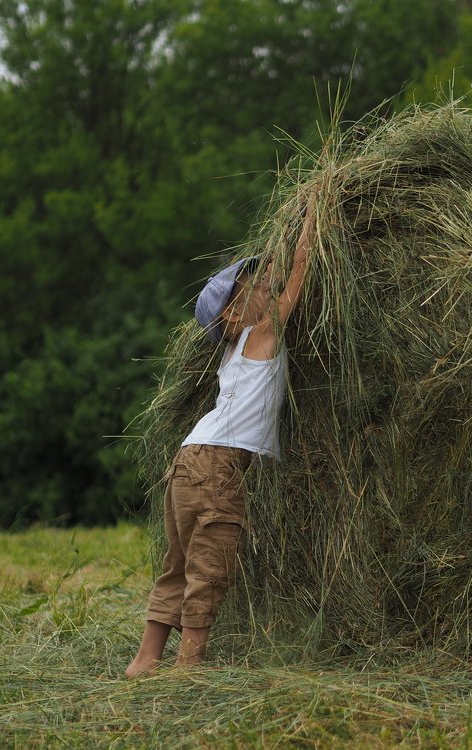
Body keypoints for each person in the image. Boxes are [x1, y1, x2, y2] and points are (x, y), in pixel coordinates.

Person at [125, 190, 317, 677]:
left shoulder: (238, 345)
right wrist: (315, 215)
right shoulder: (264, 331)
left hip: (189, 461)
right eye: (250, 283)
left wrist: (286, 222)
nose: (262, 283)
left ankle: (145, 661)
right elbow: (297, 274)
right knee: (211, 563)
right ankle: (190, 669)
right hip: (216, 466)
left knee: (178, 564)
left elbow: (276, 274)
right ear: (232, 316)